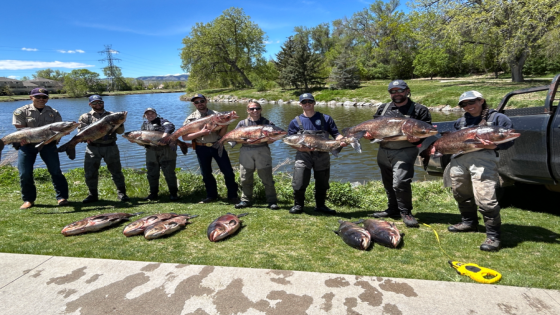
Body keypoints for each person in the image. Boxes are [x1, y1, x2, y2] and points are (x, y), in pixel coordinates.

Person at [445, 91, 514, 252]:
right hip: (459, 160)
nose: (468, 106)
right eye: (464, 104)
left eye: (472, 102)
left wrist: (494, 146)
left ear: (482, 100)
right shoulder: (461, 121)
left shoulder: (498, 118)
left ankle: (493, 236)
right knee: (460, 191)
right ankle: (468, 222)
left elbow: (510, 139)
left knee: (485, 197)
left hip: (484, 160)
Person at [368, 80, 432, 228]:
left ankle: (406, 212)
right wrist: (369, 136)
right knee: (388, 182)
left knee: (401, 182)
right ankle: (393, 209)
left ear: (407, 90)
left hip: (405, 150)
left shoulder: (419, 110)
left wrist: (417, 139)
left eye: (400, 90)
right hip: (383, 149)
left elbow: (427, 133)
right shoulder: (383, 109)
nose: (396, 94)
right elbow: (374, 131)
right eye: (393, 91)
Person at [287, 93, 346, 215]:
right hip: (303, 155)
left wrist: (342, 140)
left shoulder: (326, 118)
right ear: (300, 104)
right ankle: (298, 205)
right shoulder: (295, 122)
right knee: (299, 180)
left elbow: (336, 134)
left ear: (314, 103)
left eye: (310, 101)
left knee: (322, 182)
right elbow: (289, 140)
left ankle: (320, 205)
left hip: (323, 154)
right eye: (304, 102)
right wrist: (299, 149)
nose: (307, 104)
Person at [12, 88, 70, 209]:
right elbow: (20, 129)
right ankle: (28, 199)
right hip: (27, 146)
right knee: (25, 173)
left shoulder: (54, 112)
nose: (41, 99)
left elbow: (59, 129)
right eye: (38, 97)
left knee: (55, 171)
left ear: (47, 99)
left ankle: (62, 197)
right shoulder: (21, 111)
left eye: (44, 97)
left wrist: (60, 136)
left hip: (48, 145)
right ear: (31, 97)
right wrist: (21, 139)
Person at [181, 94, 239, 204]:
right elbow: (185, 137)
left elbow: (221, 135)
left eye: (201, 101)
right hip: (201, 148)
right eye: (196, 102)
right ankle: (211, 196)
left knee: (228, 172)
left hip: (217, 146)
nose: (200, 103)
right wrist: (201, 133)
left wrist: (225, 124)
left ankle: (233, 196)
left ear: (206, 101)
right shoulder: (190, 118)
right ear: (194, 104)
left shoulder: (217, 115)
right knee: (206, 173)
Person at [79, 95, 130, 203]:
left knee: (116, 171)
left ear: (103, 102)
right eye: (94, 103)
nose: (98, 105)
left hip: (110, 146)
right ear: (90, 104)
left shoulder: (112, 115)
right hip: (92, 148)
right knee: (90, 172)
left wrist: (120, 123)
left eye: (100, 102)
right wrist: (85, 138)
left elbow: (120, 132)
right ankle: (92, 195)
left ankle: (122, 193)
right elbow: (80, 132)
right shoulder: (85, 117)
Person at [234, 101, 280, 210]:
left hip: (262, 150)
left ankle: (272, 201)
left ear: (261, 109)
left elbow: (273, 138)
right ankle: (245, 200)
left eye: (257, 108)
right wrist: (246, 141)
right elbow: (235, 138)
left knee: (267, 177)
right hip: (246, 151)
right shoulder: (242, 123)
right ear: (248, 110)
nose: (255, 111)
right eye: (252, 109)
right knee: (245, 177)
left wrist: (270, 140)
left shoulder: (268, 123)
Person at [140, 108, 179, 201]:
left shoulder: (163, 121)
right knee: (152, 173)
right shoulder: (144, 125)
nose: (150, 115)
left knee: (169, 173)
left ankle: (173, 194)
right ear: (144, 116)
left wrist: (164, 139)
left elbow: (170, 127)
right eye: (147, 114)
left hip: (166, 151)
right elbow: (143, 141)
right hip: (151, 152)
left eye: (152, 113)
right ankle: (153, 194)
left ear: (156, 114)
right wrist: (138, 141)